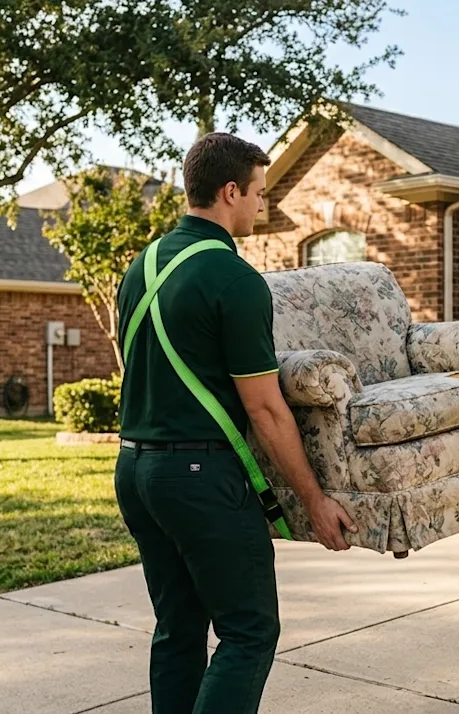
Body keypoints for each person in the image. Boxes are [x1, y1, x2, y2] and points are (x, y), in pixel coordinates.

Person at [113, 132, 357, 714]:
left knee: (177, 627)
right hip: (199, 479)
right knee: (249, 631)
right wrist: (315, 499)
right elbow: (266, 409)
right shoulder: (235, 279)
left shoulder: (141, 267)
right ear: (230, 192)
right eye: (259, 193)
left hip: (135, 470)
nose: (262, 205)